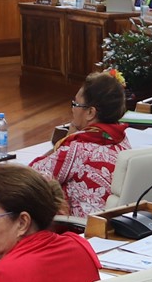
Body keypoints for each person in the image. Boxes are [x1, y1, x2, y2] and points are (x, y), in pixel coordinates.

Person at [30, 71, 130, 219]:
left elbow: (29, 177)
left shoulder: (78, 148)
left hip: (83, 230)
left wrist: (68, 138)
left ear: (90, 112)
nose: (72, 109)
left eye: (75, 104)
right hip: (114, 223)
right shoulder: (121, 138)